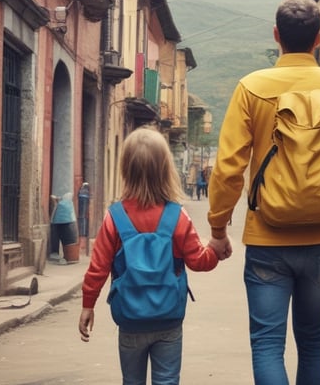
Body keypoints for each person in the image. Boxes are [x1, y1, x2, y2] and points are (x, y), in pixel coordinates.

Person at [206, 0, 320, 385]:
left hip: (267, 240)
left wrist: (218, 229)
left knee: (267, 344)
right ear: (318, 39)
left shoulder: (251, 87)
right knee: (313, 342)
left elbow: (228, 167)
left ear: (276, 35)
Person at [78, 127, 229, 385]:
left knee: (132, 381)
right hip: (168, 319)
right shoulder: (177, 216)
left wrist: (87, 305)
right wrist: (216, 248)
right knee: (167, 380)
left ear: (126, 169)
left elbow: (98, 268)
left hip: (130, 320)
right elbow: (199, 262)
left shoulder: (114, 218)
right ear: (165, 170)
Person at [49, 192, 78, 264]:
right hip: (69, 221)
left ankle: (62, 255)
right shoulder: (68, 204)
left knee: (65, 240)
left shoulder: (61, 204)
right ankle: (69, 257)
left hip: (61, 222)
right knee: (69, 241)